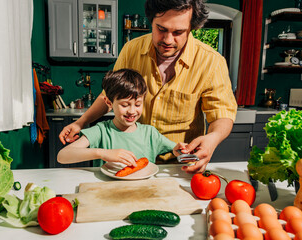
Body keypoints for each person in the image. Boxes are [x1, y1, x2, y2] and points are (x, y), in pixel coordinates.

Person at [59, 0, 237, 172]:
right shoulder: (131, 50)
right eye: (161, 29)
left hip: (179, 165)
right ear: (151, 21)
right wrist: (81, 122)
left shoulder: (211, 62)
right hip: (134, 163)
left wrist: (212, 138)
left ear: (191, 28)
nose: (168, 39)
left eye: (178, 32)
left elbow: (222, 113)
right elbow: (109, 95)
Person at [57, 69, 189, 166]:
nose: (132, 111)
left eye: (138, 104)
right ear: (109, 103)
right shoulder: (101, 131)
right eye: (125, 105)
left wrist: (179, 150)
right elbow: (62, 156)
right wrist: (102, 153)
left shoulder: (150, 134)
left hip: (144, 191)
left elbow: (175, 149)